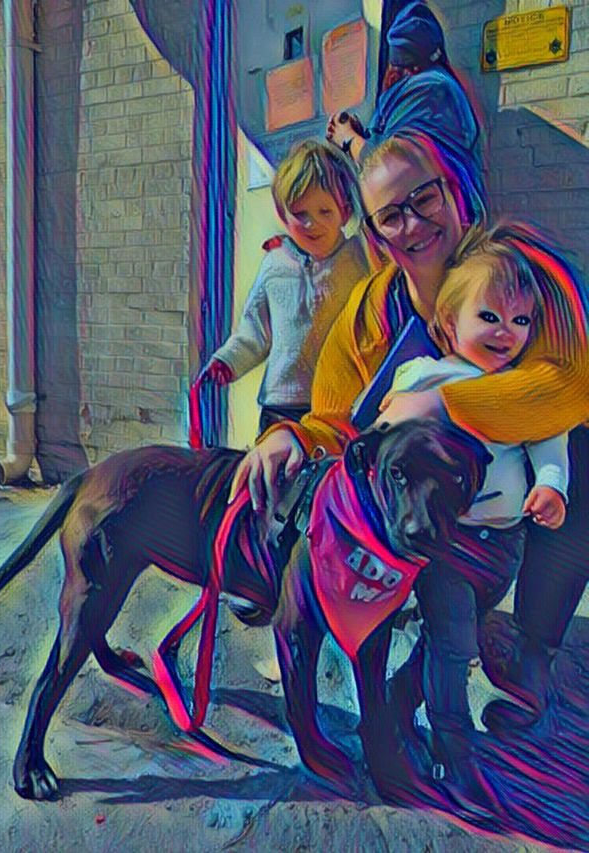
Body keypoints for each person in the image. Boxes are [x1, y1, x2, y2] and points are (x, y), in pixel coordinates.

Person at [229, 131, 589, 804]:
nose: (413, 223)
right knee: (434, 595)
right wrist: (291, 436)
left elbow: (572, 385)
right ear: (372, 233)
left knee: (580, 460)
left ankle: (532, 649)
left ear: (454, 192)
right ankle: (411, 692)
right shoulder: (370, 312)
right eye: (391, 214)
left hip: (519, 505)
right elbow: (338, 417)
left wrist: (446, 402)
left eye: (424, 198)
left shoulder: (518, 270)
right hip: (441, 517)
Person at [379, 230, 569, 800]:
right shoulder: (427, 376)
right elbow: (389, 432)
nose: (506, 332)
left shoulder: (523, 386)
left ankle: (396, 700)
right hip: (448, 542)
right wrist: (400, 416)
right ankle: (453, 750)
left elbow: (550, 444)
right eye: (489, 316)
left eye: (520, 321)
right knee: (454, 643)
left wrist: (552, 487)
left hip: (504, 547)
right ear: (448, 323)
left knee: (448, 641)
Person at [201, 139, 370, 435]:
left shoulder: (359, 258)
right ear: (283, 214)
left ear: (344, 212)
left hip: (339, 405)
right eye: (300, 214)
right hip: (281, 405)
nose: (312, 224)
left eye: (324, 211)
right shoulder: (275, 264)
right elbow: (254, 331)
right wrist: (227, 362)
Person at [326, 1, 484, 208]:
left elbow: (389, 167)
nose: (394, 72)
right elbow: (398, 144)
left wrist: (348, 138)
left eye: (400, 65)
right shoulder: (435, 86)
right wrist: (364, 135)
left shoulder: (429, 89)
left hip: (434, 215)